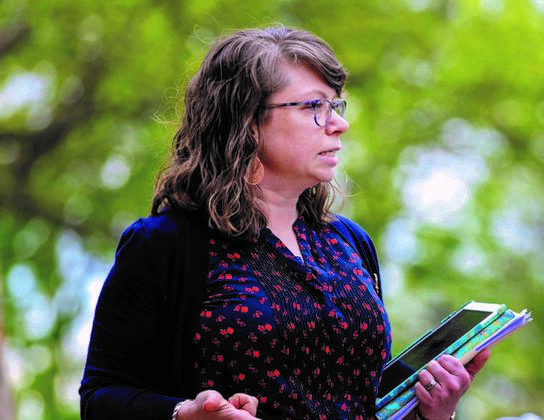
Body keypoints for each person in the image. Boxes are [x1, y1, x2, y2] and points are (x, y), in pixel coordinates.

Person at [79, 26, 489, 420]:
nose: (338, 123)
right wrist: (181, 414)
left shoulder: (350, 242)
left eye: (335, 105)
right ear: (247, 121)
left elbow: (365, 401)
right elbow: (100, 397)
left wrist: (430, 411)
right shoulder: (165, 244)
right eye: (314, 106)